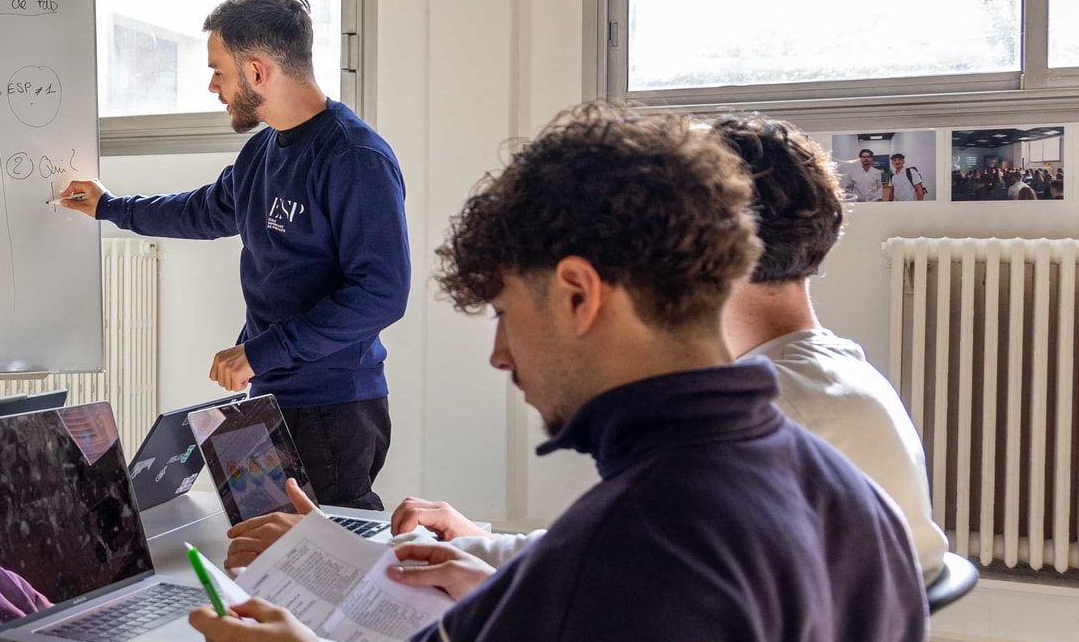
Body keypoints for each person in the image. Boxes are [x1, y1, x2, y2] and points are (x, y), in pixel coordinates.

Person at [0, 104, 928, 642]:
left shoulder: (633, 563)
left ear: (582, 294)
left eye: (507, 313)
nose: (501, 356)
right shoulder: (829, 491)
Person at [394, 114, 949, 586]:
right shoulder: (833, 378)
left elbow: (630, 581)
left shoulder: (765, 420)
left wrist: (484, 568)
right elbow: (632, 554)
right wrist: (487, 545)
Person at [58, 0, 411, 508]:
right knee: (265, 546)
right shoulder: (261, 153)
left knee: (327, 556)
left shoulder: (355, 157)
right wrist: (111, 207)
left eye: (218, 71)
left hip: (333, 408)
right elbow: (202, 210)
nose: (212, 86)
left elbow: (381, 294)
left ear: (258, 71)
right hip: (269, 396)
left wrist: (261, 352)